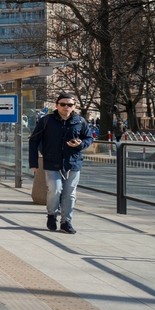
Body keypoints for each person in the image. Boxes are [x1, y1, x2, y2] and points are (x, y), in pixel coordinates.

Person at [28, 92, 93, 234]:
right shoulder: (47, 120)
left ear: (74, 106)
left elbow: (88, 138)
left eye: (70, 105)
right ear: (57, 105)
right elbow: (34, 140)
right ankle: (52, 215)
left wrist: (80, 144)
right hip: (52, 162)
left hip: (73, 163)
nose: (66, 107)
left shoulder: (80, 121)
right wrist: (34, 162)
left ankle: (66, 222)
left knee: (70, 193)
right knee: (55, 189)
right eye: (63, 104)